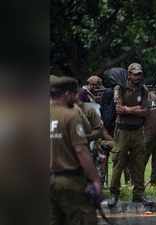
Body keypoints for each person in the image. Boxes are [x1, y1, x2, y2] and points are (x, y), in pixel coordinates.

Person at [50, 75, 101, 225]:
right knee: (82, 219)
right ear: (67, 94)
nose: (77, 97)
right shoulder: (71, 114)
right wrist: (95, 179)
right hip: (70, 179)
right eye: (74, 94)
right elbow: (81, 150)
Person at [108, 63, 149, 207]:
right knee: (119, 162)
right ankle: (114, 194)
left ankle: (139, 194)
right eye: (135, 74)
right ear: (129, 74)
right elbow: (119, 109)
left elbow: (145, 111)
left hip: (138, 131)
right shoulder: (120, 88)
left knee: (139, 164)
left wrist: (128, 109)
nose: (137, 76)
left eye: (139, 74)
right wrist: (134, 109)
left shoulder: (143, 90)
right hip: (122, 131)